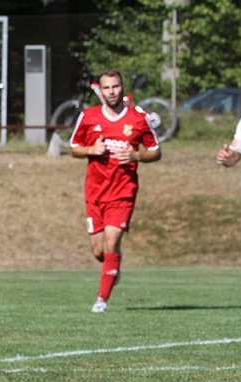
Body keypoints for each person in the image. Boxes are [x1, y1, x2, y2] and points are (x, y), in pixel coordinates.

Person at [69, 68, 161, 313]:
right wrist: (91, 150)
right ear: (101, 90)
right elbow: (74, 147)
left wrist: (136, 155)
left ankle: (101, 300)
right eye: (107, 88)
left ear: (122, 88)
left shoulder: (138, 118)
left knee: (111, 242)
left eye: (115, 86)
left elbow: (155, 152)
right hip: (95, 192)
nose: (111, 92)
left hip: (123, 191)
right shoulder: (88, 116)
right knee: (99, 251)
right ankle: (113, 263)